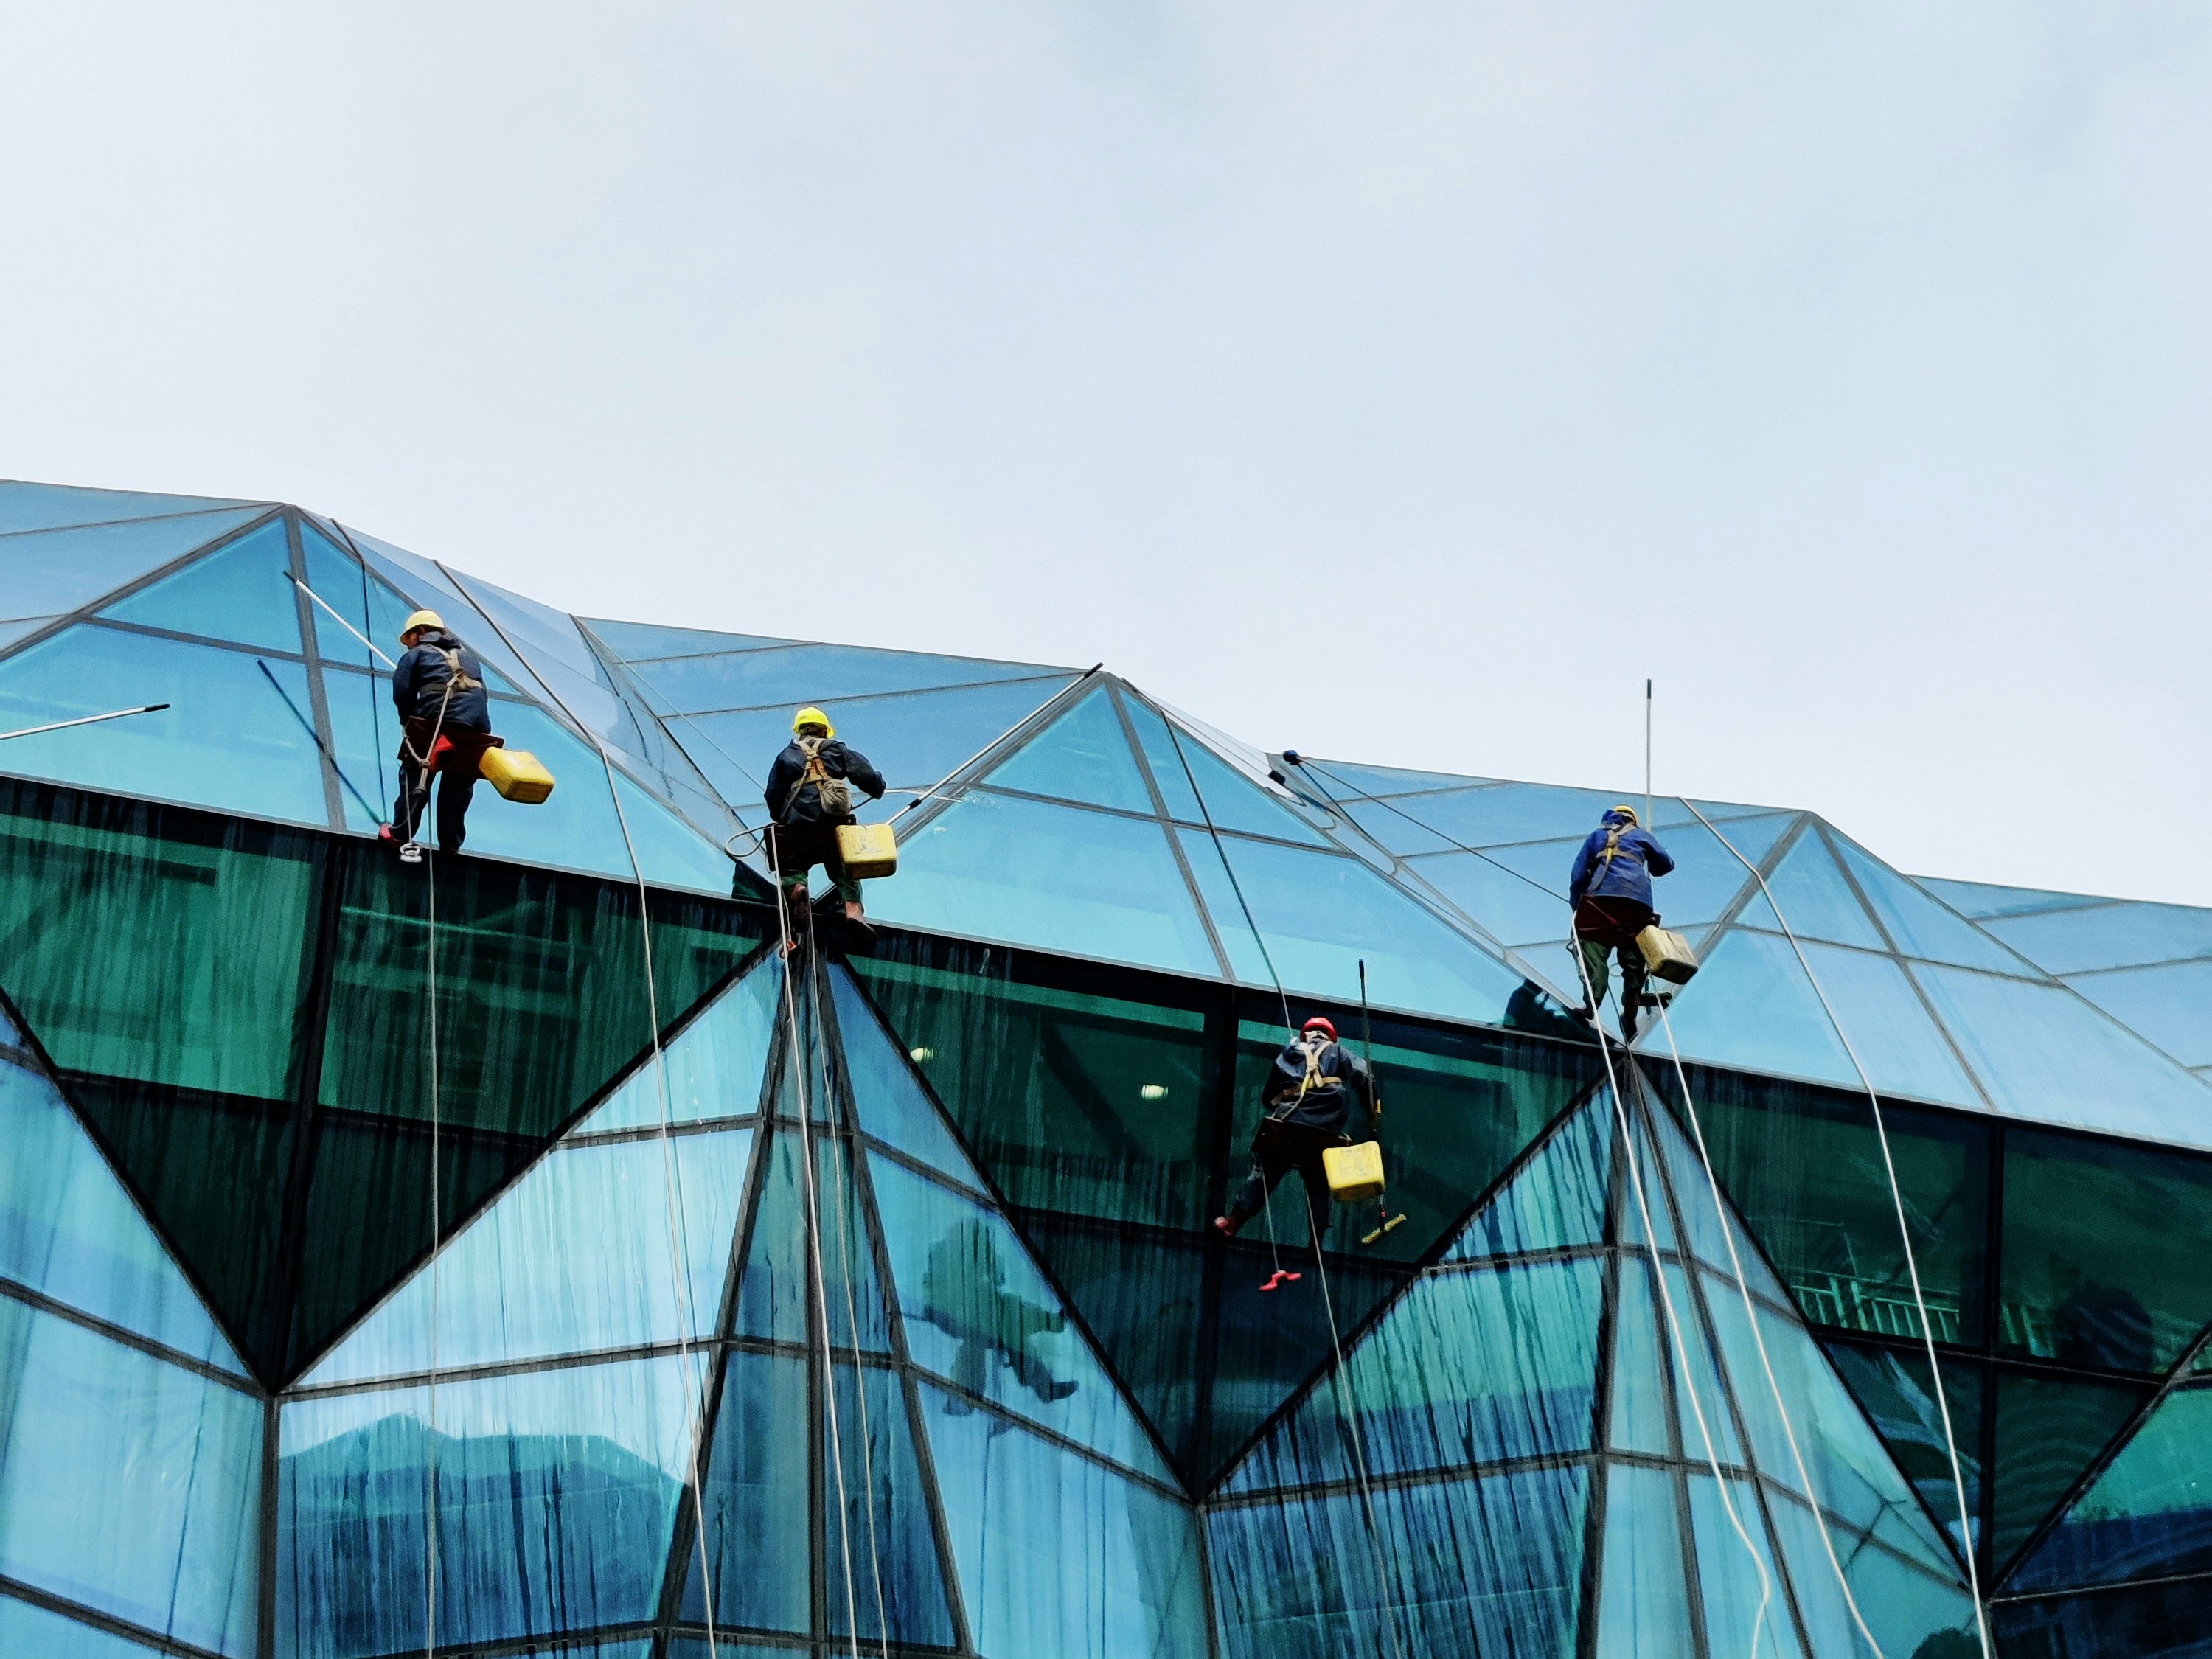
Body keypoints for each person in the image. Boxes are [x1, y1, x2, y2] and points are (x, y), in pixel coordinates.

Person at [1214, 1015, 1376, 1242]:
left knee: (1264, 1173)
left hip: (1289, 1124)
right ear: (1331, 1036)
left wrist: (1286, 1099)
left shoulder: (1289, 1053)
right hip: (1326, 1129)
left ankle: (1232, 1225)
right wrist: (1372, 1105)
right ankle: (1316, 1245)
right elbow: (1362, 1074)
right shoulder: (1340, 1052)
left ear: (1305, 1034)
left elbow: (1268, 1097)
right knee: (1319, 1179)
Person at [922, 1217, 1078, 1410]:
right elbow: (996, 1276)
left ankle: (966, 1397)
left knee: (1003, 1327)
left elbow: (998, 1276)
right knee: (1006, 1322)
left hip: (970, 1313)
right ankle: (1042, 1379)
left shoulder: (950, 1254)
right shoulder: (946, 1254)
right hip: (959, 1313)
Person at [763, 706, 886, 943]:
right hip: (833, 825)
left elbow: (773, 793)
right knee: (843, 867)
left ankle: (798, 888)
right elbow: (866, 775)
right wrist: (878, 787)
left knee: (791, 867)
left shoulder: (786, 755)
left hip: (796, 825)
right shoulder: (837, 750)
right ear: (824, 730)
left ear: (799, 731)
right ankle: (853, 910)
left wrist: (781, 819)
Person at [381, 609, 495, 857]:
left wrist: (408, 721)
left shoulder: (418, 654)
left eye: (410, 638)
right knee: (458, 783)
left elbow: (402, 691)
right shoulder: (469, 658)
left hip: (440, 721)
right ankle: (451, 843)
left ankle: (401, 833)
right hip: (477, 727)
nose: (409, 645)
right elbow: (480, 694)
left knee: (416, 772)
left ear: (420, 632)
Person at [1568, 804, 1676, 1040]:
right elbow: (1665, 865)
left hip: (1601, 901)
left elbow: (1577, 875)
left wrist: (1576, 905)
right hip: (1638, 906)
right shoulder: (1642, 836)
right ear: (1633, 821)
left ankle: (1590, 1005)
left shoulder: (1597, 835)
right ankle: (1630, 1014)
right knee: (1635, 965)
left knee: (1592, 955)